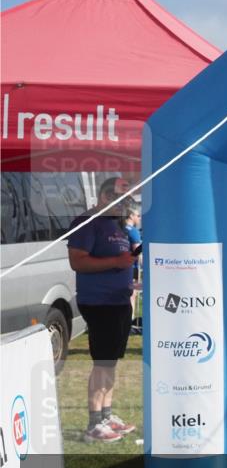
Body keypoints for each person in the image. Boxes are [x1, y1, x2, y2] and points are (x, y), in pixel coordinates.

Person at [67, 176, 138, 443]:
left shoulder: (116, 225)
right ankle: (94, 424)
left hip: (119, 300)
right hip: (99, 302)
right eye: (123, 199)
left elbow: (119, 260)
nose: (127, 205)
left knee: (111, 361)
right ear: (106, 197)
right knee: (103, 363)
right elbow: (78, 262)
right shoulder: (87, 222)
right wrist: (117, 261)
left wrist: (126, 263)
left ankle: (106, 416)